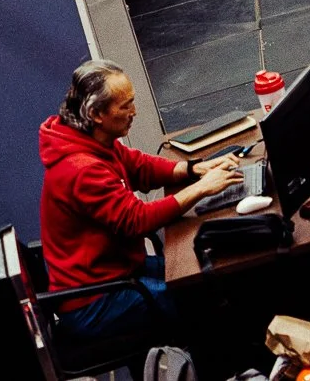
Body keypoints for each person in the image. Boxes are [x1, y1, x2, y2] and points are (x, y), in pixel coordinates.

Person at [38, 59, 241, 350]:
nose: (134, 112)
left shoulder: (90, 140)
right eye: (125, 106)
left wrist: (194, 169)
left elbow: (138, 166)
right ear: (96, 113)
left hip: (120, 271)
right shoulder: (81, 169)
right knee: (197, 297)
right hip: (96, 301)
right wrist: (200, 189)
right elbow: (136, 221)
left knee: (206, 272)